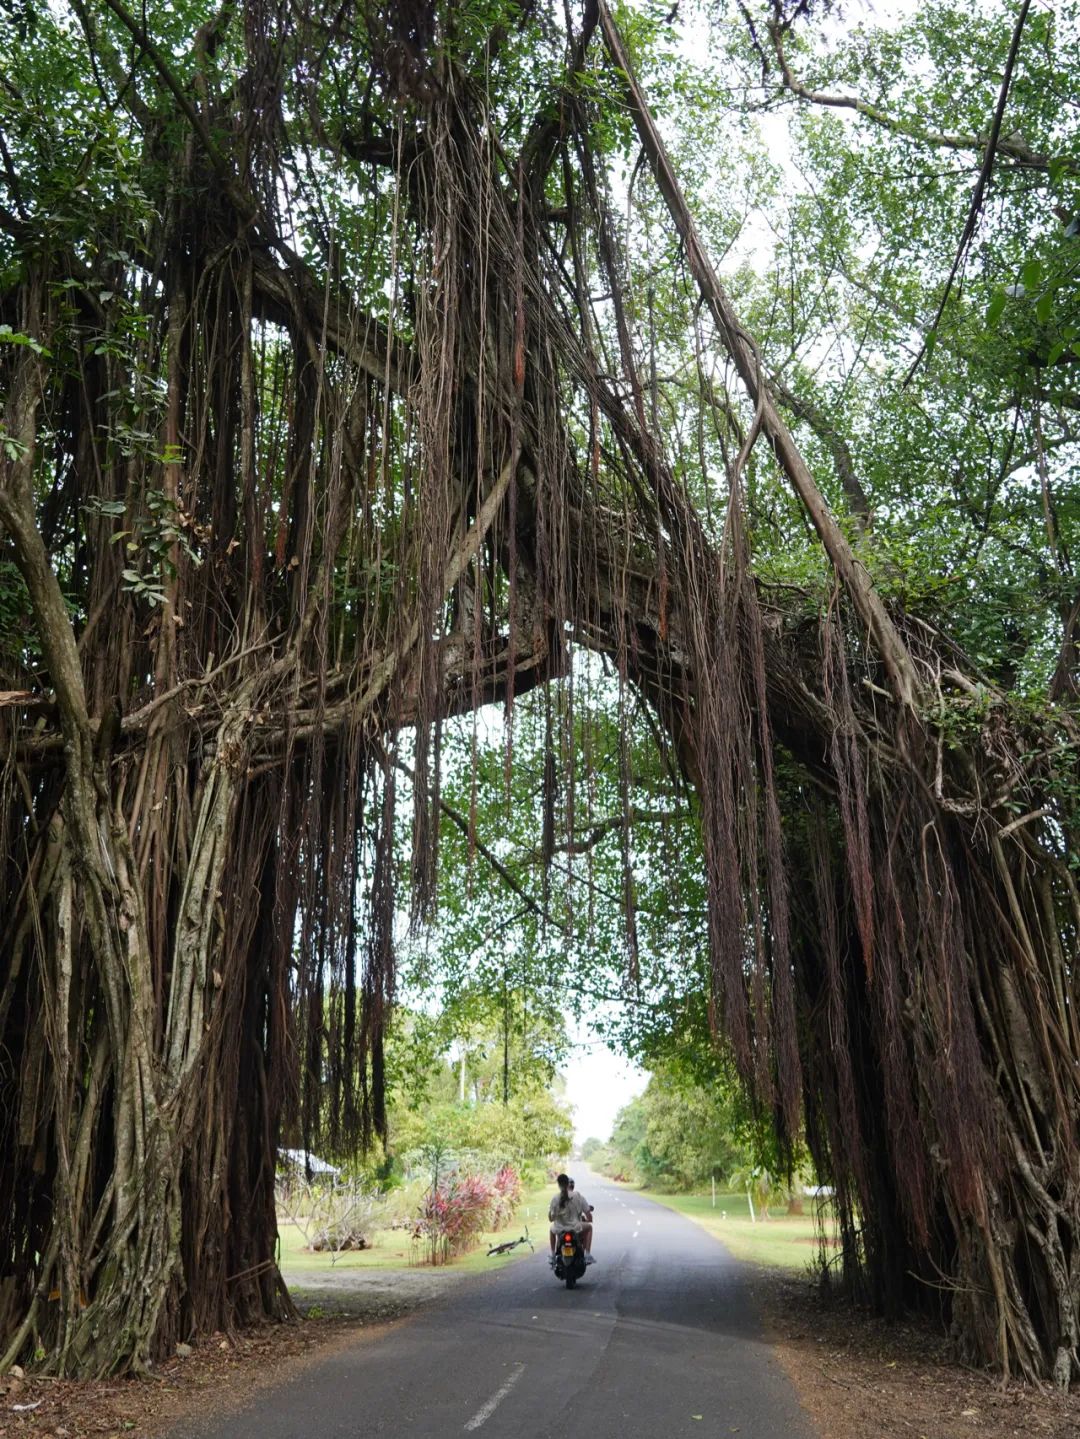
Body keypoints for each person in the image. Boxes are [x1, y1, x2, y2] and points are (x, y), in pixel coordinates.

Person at [548, 1172, 595, 1265]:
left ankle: (553, 1255)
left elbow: (551, 1218)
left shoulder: (555, 1198)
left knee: (551, 1230)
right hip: (575, 1227)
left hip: (559, 1229)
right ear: (569, 1185)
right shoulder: (578, 1195)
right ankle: (588, 1255)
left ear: (559, 1185)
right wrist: (589, 1219)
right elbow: (588, 1214)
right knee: (589, 1227)